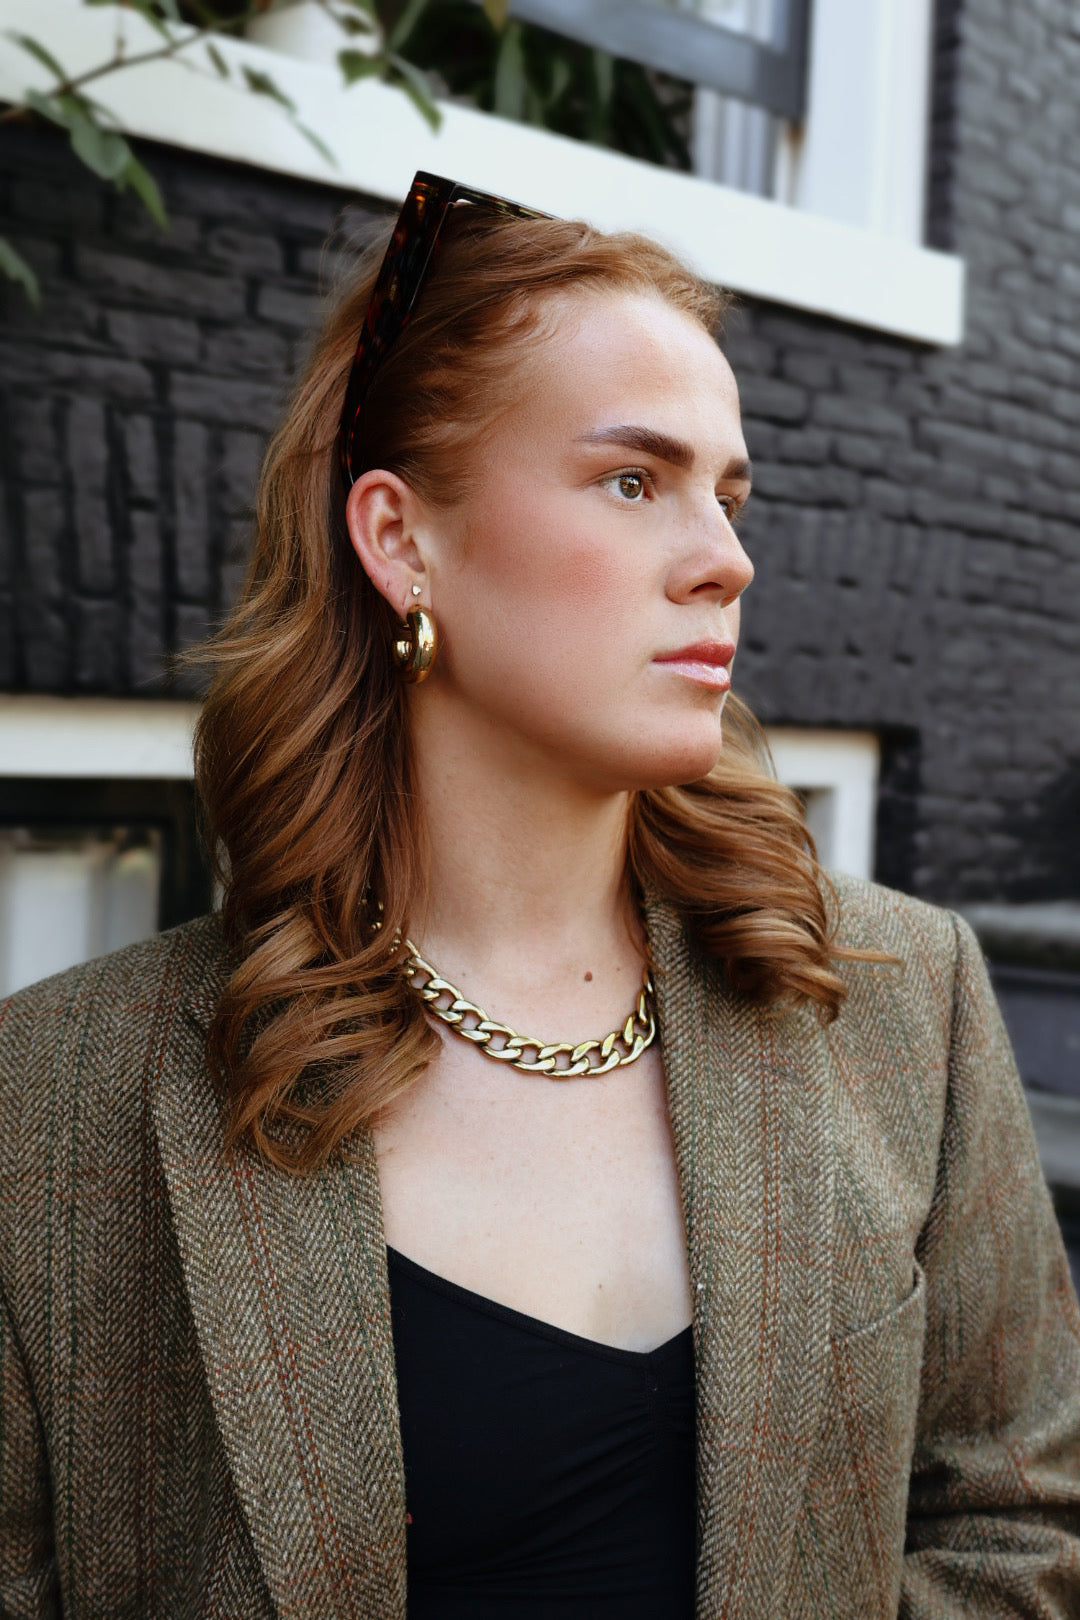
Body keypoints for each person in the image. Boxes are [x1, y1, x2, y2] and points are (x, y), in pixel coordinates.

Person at [1, 170, 1079, 1620]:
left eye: (728, 494)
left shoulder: (901, 998)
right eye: (634, 482)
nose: (727, 561)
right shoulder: (54, 1097)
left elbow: (1016, 1518)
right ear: (402, 541)